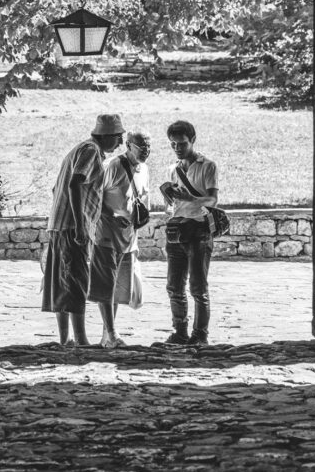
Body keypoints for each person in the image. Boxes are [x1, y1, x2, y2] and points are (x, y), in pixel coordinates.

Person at [41, 113, 124, 346]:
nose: (119, 144)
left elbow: (57, 187)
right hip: (72, 226)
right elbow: (74, 183)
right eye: (118, 138)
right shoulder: (91, 151)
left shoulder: (78, 149)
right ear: (107, 136)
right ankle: (80, 339)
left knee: (62, 281)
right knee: (76, 281)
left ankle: (65, 339)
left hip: (59, 224)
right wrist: (80, 224)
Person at [158, 120, 218, 346]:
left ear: (192, 140)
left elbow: (212, 199)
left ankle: (200, 335)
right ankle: (180, 332)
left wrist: (190, 198)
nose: (177, 148)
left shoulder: (207, 166)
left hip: (199, 230)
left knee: (198, 287)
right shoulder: (173, 169)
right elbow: (172, 206)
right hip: (176, 229)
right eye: (173, 144)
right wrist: (168, 194)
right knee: (174, 286)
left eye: (182, 143)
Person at [89, 130, 151, 348]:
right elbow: (95, 196)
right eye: (141, 148)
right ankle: (112, 334)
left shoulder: (144, 170)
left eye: (148, 148)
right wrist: (112, 217)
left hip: (128, 235)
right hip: (107, 233)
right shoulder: (113, 167)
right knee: (105, 284)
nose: (146, 152)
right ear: (128, 145)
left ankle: (107, 334)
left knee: (117, 287)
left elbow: (143, 197)